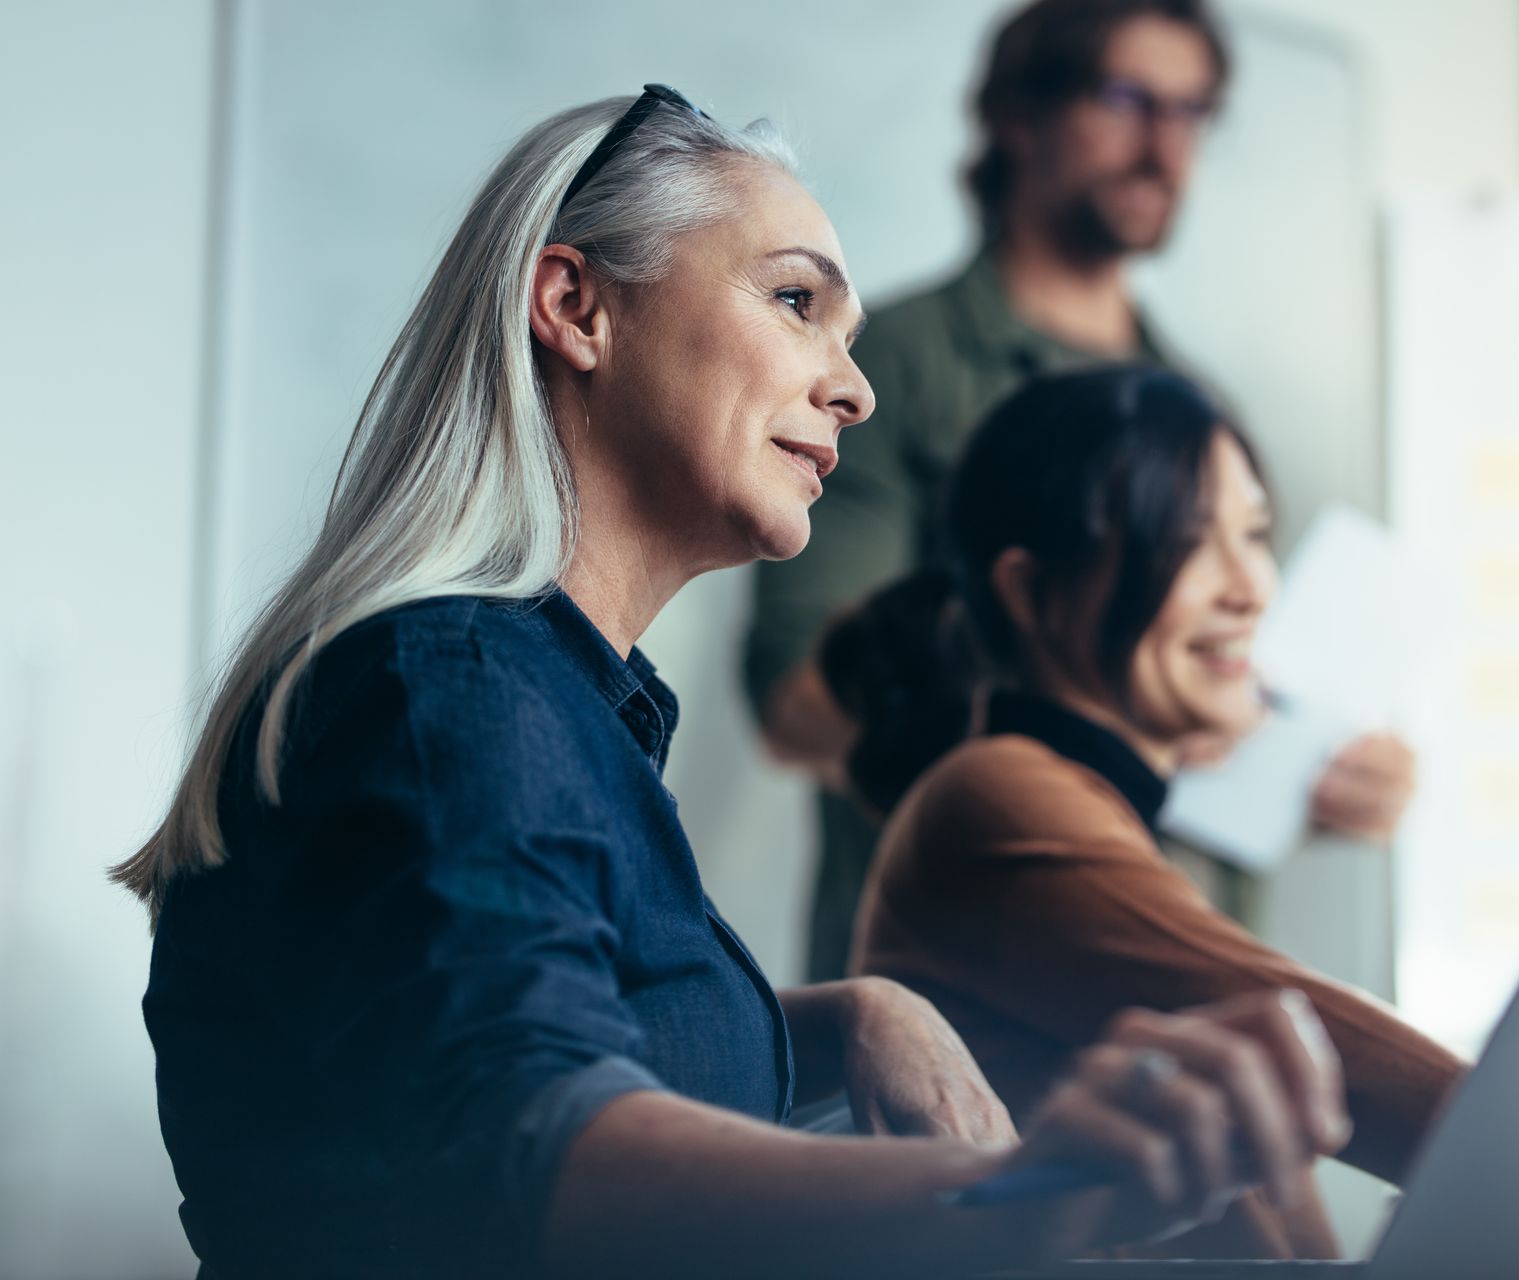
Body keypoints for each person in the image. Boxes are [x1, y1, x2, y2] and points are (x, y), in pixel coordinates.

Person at [109, 90, 1351, 1280]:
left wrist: (844, 1017)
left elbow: (588, 1044)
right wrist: (1030, 1196)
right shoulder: (454, 693)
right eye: (795, 301)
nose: (852, 388)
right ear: (576, 308)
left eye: (850, 340)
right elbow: (535, 1148)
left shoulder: (553, 705)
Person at [830, 366, 1519, 1266]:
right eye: (1188, 538)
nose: (1250, 587)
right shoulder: (997, 796)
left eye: (1255, 534)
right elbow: (1321, 1042)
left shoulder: (1082, 809)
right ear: (1030, 589)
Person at [745, 0, 1416, 985]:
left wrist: (1316, 766)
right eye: (1127, 98)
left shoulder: (1197, 405)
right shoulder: (886, 365)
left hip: (1185, 978)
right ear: (1018, 115)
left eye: (1192, 111)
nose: (1164, 143)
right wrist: (1113, 704)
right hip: (962, 997)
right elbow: (798, 701)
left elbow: (1214, 698)